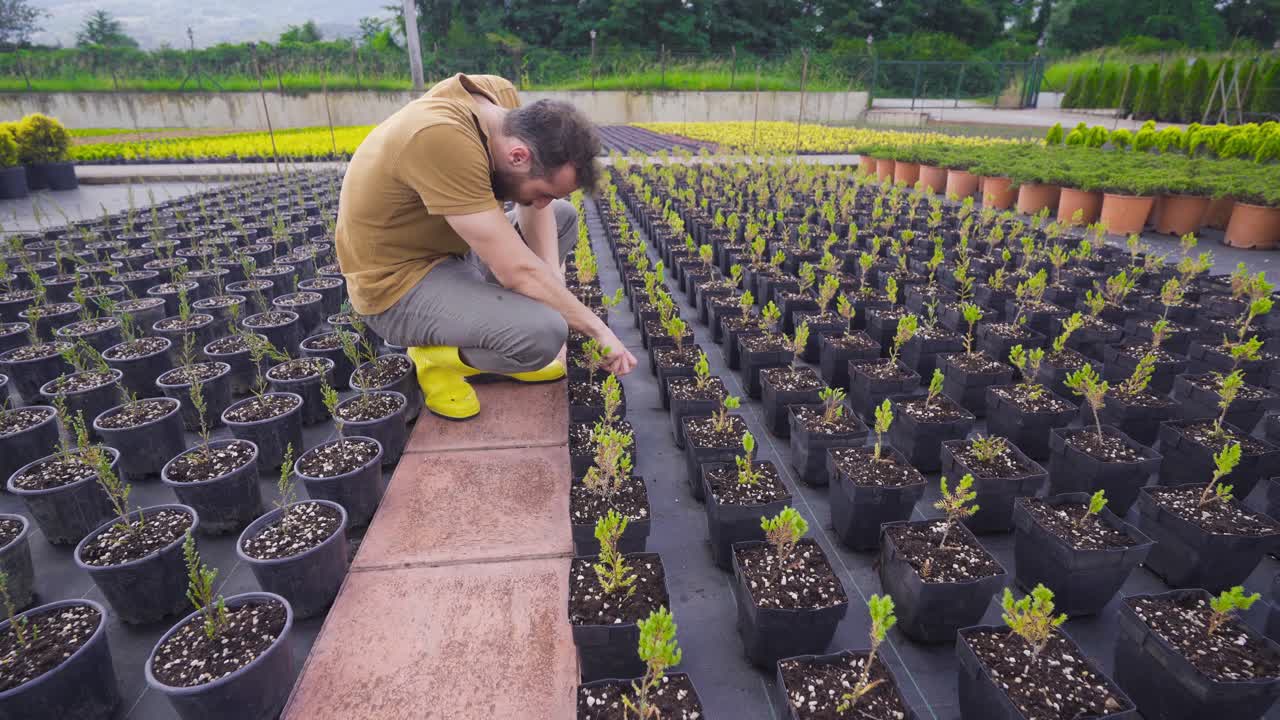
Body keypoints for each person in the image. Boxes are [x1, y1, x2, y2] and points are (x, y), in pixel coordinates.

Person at [336, 73, 638, 420]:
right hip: (398, 284)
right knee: (543, 334)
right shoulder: (440, 137)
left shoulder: (499, 101)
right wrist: (595, 327)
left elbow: (533, 214)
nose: (541, 204)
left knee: (562, 216)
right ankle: (433, 357)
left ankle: (500, 338)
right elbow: (517, 272)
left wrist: (553, 285)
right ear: (518, 156)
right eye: (543, 192)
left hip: (453, 251)